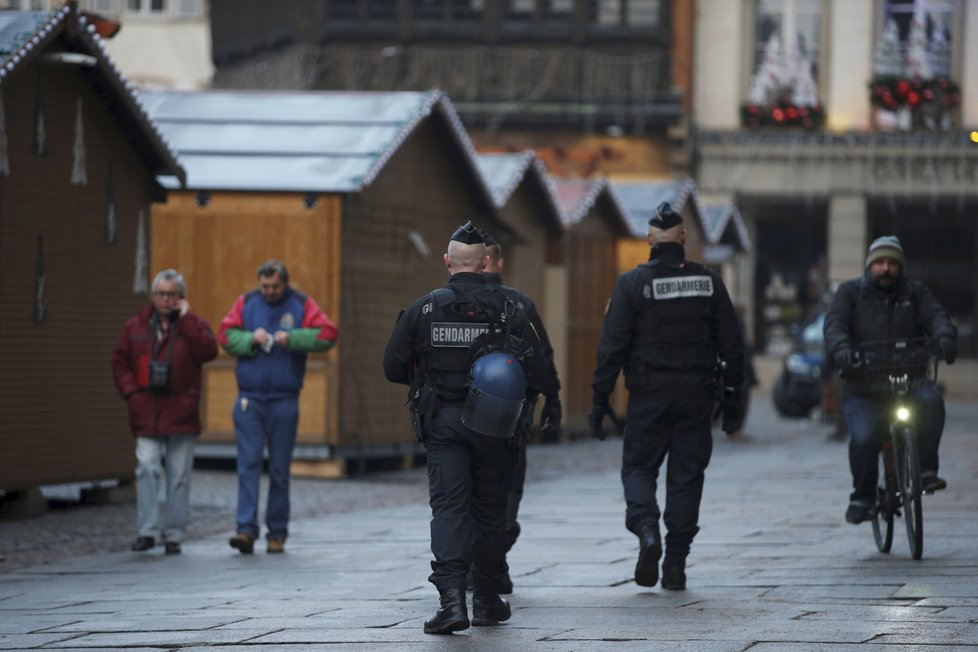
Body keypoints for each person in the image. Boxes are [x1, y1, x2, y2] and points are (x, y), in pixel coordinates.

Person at [383, 221, 547, 634]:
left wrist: (428, 382)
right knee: (491, 511)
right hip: (494, 425)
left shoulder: (422, 309)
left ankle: (452, 603)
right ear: (487, 262)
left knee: (450, 508)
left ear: (447, 262)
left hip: (442, 422)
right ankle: (488, 601)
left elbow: (392, 366)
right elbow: (539, 369)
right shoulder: (511, 309)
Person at [589, 202, 744, 591]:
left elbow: (612, 347)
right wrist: (733, 398)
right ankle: (675, 563)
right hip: (696, 397)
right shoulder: (709, 281)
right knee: (686, 479)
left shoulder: (632, 284)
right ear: (684, 238)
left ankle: (646, 532)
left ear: (648, 240)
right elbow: (732, 344)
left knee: (639, 470)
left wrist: (600, 399)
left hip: (648, 397)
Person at [823, 235, 956, 525]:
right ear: (870, 265)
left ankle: (925, 471)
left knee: (932, 403)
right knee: (864, 438)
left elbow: (936, 318)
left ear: (900, 267)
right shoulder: (850, 293)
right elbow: (834, 325)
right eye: (880, 263)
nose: (886, 268)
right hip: (864, 387)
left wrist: (945, 338)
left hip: (911, 381)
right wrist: (843, 349)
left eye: (892, 263)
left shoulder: (916, 293)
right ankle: (863, 496)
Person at [219, 259, 338, 554]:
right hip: (250, 399)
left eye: (274, 286)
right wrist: (250, 339)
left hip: (284, 400)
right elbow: (225, 336)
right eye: (265, 286)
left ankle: (277, 533)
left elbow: (327, 334)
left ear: (284, 283)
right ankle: (245, 530)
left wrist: (294, 338)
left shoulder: (301, 304)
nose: (269, 291)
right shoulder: (246, 302)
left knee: (280, 470)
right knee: (248, 465)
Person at [112, 269, 218, 555]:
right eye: (161, 293)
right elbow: (120, 362)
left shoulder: (191, 325)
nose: (166, 299)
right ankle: (147, 531)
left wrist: (189, 318)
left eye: (172, 294)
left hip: (181, 410)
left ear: (181, 297)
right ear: (153, 296)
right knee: (146, 466)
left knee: (179, 474)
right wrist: (132, 394)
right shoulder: (135, 326)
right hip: (146, 410)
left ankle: (173, 534)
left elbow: (209, 351)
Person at [480, 228, 562, 593]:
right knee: (507, 490)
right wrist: (552, 397)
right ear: (498, 262)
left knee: (462, 493)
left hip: (455, 418)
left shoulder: (438, 303)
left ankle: (480, 564)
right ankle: (493, 562)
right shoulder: (519, 305)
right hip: (510, 417)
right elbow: (540, 356)